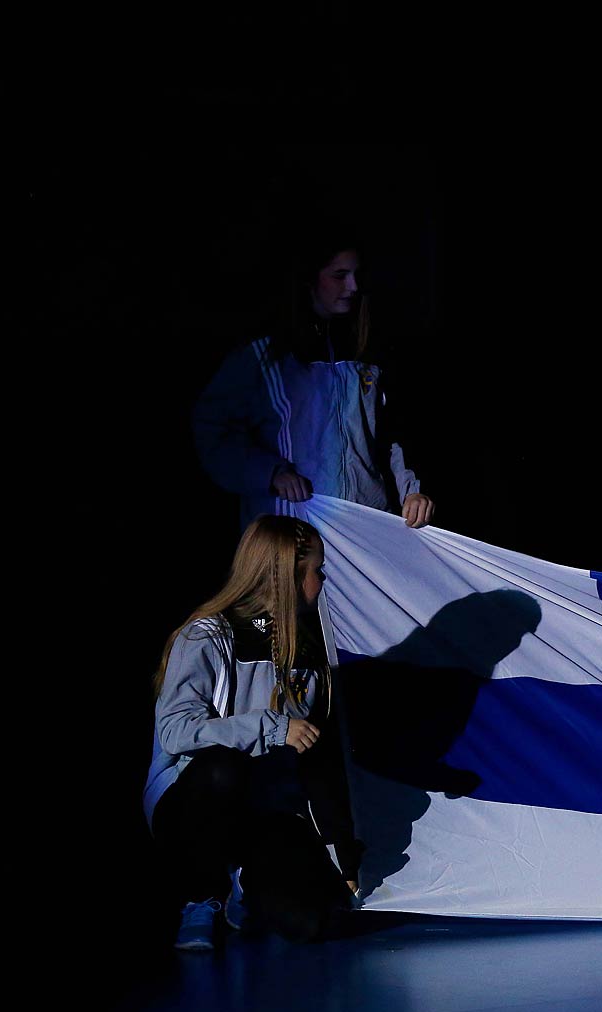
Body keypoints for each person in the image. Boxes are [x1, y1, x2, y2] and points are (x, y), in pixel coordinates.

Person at [145, 516, 361, 948]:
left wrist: (343, 856)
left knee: (312, 922)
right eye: (317, 570)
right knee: (223, 768)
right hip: (192, 801)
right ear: (287, 575)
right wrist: (272, 727)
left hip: (261, 809)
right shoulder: (207, 634)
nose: (322, 579)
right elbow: (174, 731)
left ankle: (245, 884)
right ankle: (200, 896)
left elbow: (315, 756)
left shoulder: (307, 648)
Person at [194, 230, 435, 530]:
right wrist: (268, 473)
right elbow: (212, 429)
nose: (353, 286)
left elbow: (392, 436)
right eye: (339, 275)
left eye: (357, 275)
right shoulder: (265, 354)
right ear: (309, 278)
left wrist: (411, 491)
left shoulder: (370, 349)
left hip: (364, 527)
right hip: (292, 527)